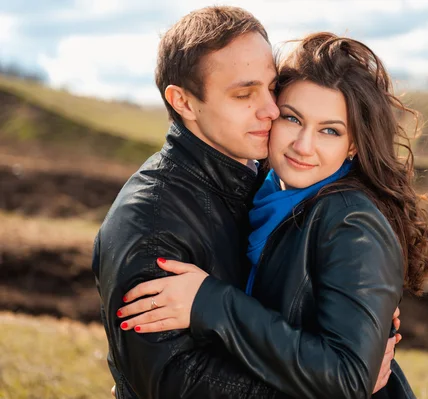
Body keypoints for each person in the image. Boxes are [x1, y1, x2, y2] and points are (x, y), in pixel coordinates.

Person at [93, 7, 401, 399]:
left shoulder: (268, 188)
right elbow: (173, 384)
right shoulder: (149, 221)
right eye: (244, 94)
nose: (271, 110)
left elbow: (335, 353)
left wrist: (365, 306)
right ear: (184, 102)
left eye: (272, 89)